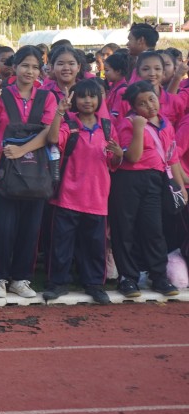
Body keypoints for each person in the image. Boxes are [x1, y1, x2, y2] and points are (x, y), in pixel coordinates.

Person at [0, 46, 58, 300]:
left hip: (36, 174)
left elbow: (48, 133)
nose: (30, 71)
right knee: (3, 229)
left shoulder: (47, 97)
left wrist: (22, 149)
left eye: (35, 67)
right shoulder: (2, 94)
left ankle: (21, 278)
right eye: (25, 65)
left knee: (30, 229)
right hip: (5, 173)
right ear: (15, 67)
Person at [44, 80, 120, 305]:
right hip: (67, 196)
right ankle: (58, 283)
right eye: (82, 96)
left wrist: (118, 154)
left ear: (100, 99)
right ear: (75, 100)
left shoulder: (107, 127)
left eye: (92, 96)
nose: (88, 101)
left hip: (97, 197)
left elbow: (113, 162)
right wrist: (59, 112)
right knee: (61, 244)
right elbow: (52, 139)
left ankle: (95, 284)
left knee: (95, 245)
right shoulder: (69, 124)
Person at [109, 81, 184, 298]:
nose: (150, 106)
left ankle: (158, 276)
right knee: (125, 229)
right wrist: (139, 129)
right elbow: (132, 157)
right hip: (128, 180)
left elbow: (172, 158)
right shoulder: (128, 123)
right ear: (133, 107)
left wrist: (180, 186)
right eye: (142, 103)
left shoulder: (166, 124)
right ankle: (128, 277)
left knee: (153, 229)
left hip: (155, 180)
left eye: (152, 99)